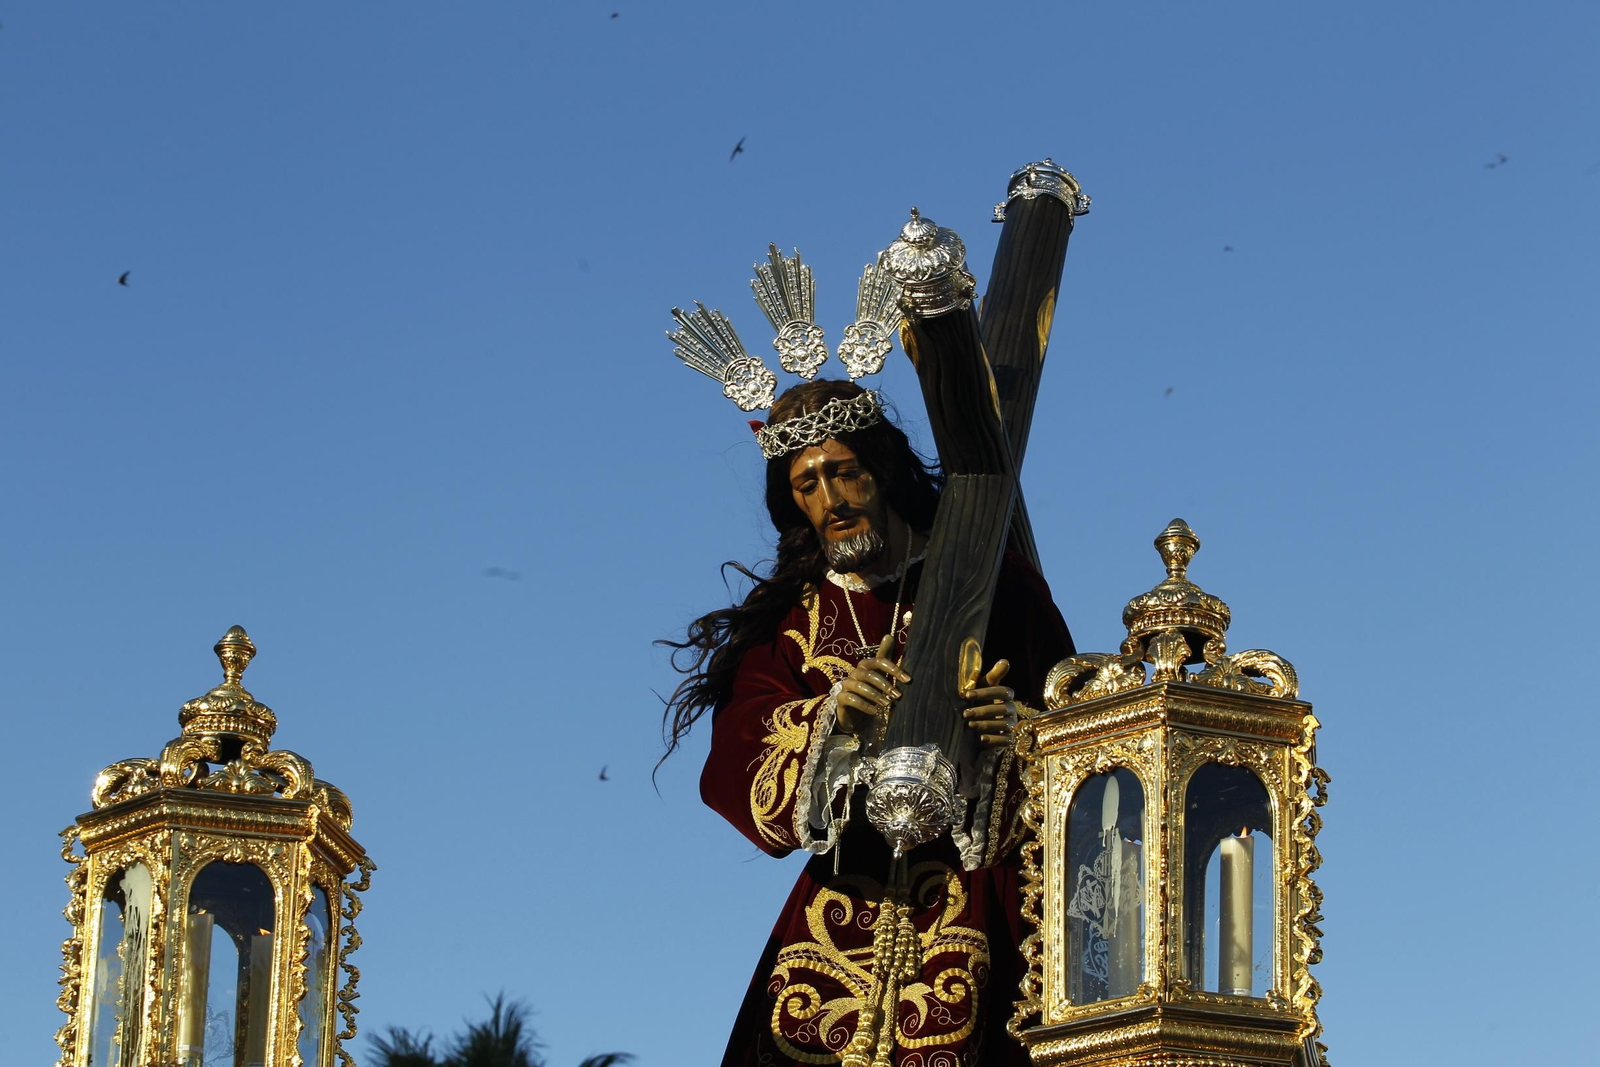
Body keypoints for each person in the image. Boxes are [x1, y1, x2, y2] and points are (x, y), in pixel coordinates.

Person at [663, 378, 1074, 1066]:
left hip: (979, 895)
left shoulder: (993, 585)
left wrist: (1019, 730)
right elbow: (735, 752)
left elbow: (1080, 725)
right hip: (837, 910)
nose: (830, 501)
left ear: (880, 469)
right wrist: (829, 718)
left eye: (843, 472)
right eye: (807, 486)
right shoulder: (793, 616)